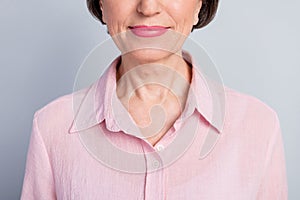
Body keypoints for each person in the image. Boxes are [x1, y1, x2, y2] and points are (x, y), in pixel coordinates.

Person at [21, 0, 288, 199]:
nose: (147, 7)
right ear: (101, 4)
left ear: (200, 5)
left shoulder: (259, 126)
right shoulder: (51, 128)